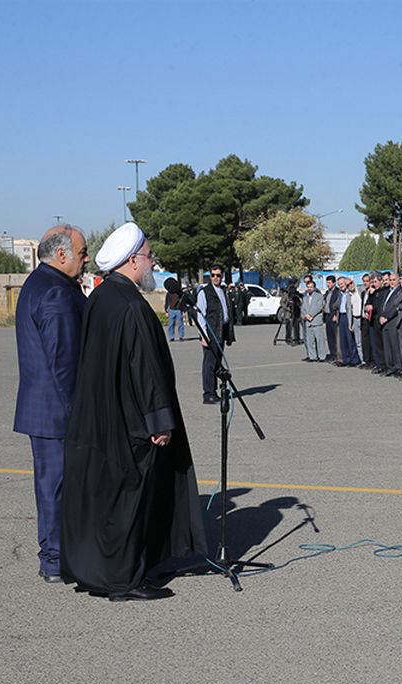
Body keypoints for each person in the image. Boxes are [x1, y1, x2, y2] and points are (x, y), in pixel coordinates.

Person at [60, 222, 202, 602]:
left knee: (111, 500)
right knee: (130, 500)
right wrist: (159, 422)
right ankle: (125, 580)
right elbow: (146, 370)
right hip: (133, 423)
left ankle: (106, 571)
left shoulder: (101, 299)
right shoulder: (132, 306)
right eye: (150, 258)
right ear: (134, 260)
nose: (153, 265)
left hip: (104, 418)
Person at [13, 224, 88, 583]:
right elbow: (65, 363)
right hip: (57, 414)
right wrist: (80, 415)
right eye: (83, 252)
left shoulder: (38, 283)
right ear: (62, 255)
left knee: (51, 487)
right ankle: (56, 559)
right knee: (56, 488)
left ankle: (56, 556)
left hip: (45, 411)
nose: (86, 259)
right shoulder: (56, 292)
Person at [196, 267, 235, 404]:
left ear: (222, 276)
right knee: (210, 364)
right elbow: (201, 315)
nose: (216, 278)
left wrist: (229, 336)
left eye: (218, 275)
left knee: (217, 362)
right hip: (211, 333)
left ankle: (216, 390)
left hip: (221, 332)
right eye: (213, 275)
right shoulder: (205, 292)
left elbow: (227, 313)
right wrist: (203, 335)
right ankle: (208, 393)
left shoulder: (224, 291)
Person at [302, 279, 327, 361]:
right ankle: (313, 356)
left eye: (311, 287)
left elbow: (319, 307)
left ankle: (322, 356)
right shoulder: (305, 297)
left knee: (319, 341)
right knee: (310, 341)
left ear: (314, 288)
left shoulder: (319, 296)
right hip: (308, 322)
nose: (309, 289)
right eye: (308, 287)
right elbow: (303, 308)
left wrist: (311, 315)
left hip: (316, 321)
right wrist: (306, 315)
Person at [322, 275, 340, 363]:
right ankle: (332, 353)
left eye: (329, 283)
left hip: (333, 316)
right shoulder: (327, 292)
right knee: (329, 337)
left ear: (334, 283)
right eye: (327, 283)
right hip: (327, 316)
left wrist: (336, 315)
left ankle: (337, 354)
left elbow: (339, 305)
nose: (328, 284)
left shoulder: (337, 292)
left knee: (335, 336)